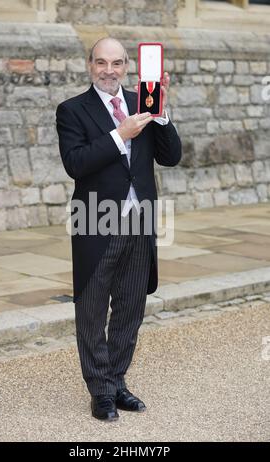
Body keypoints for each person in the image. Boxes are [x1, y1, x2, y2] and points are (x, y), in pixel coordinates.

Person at [56, 37, 182, 422]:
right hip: (95, 222)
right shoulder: (72, 110)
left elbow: (171, 156)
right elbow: (75, 163)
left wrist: (160, 113)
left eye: (116, 63)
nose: (108, 70)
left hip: (140, 222)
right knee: (92, 311)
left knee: (130, 308)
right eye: (100, 62)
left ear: (127, 66)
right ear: (89, 65)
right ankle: (101, 392)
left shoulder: (141, 103)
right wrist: (120, 135)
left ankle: (117, 380)